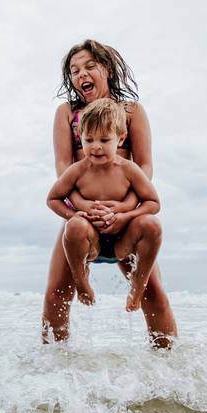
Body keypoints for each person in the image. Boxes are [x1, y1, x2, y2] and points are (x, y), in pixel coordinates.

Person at [42, 39, 178, 348]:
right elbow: (64, 168)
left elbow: (143, 167)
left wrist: (124, 210)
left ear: (107, 69)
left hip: (127, 219)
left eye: (90, 66)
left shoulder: (131, 111)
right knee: (57, 292)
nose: (81, 75)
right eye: (74, 70)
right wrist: (81, 207)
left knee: (151, 290)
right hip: (81, 216)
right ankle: (51, 364)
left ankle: (170, 364)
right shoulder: (67, 112)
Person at [46, 98, 161, 312]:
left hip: (123, 242)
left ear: (120, 139)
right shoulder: (77, 170)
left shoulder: (129, 170)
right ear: (81, 139)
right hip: (91, 243)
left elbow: (153, 203)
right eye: (89, 140)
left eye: (104, 140)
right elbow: (52, 199)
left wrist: (124, 216)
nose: (96, 147)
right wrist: (75, 214)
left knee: (152, 224)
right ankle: (82, 283)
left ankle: (138, 284)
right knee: (75, 226)